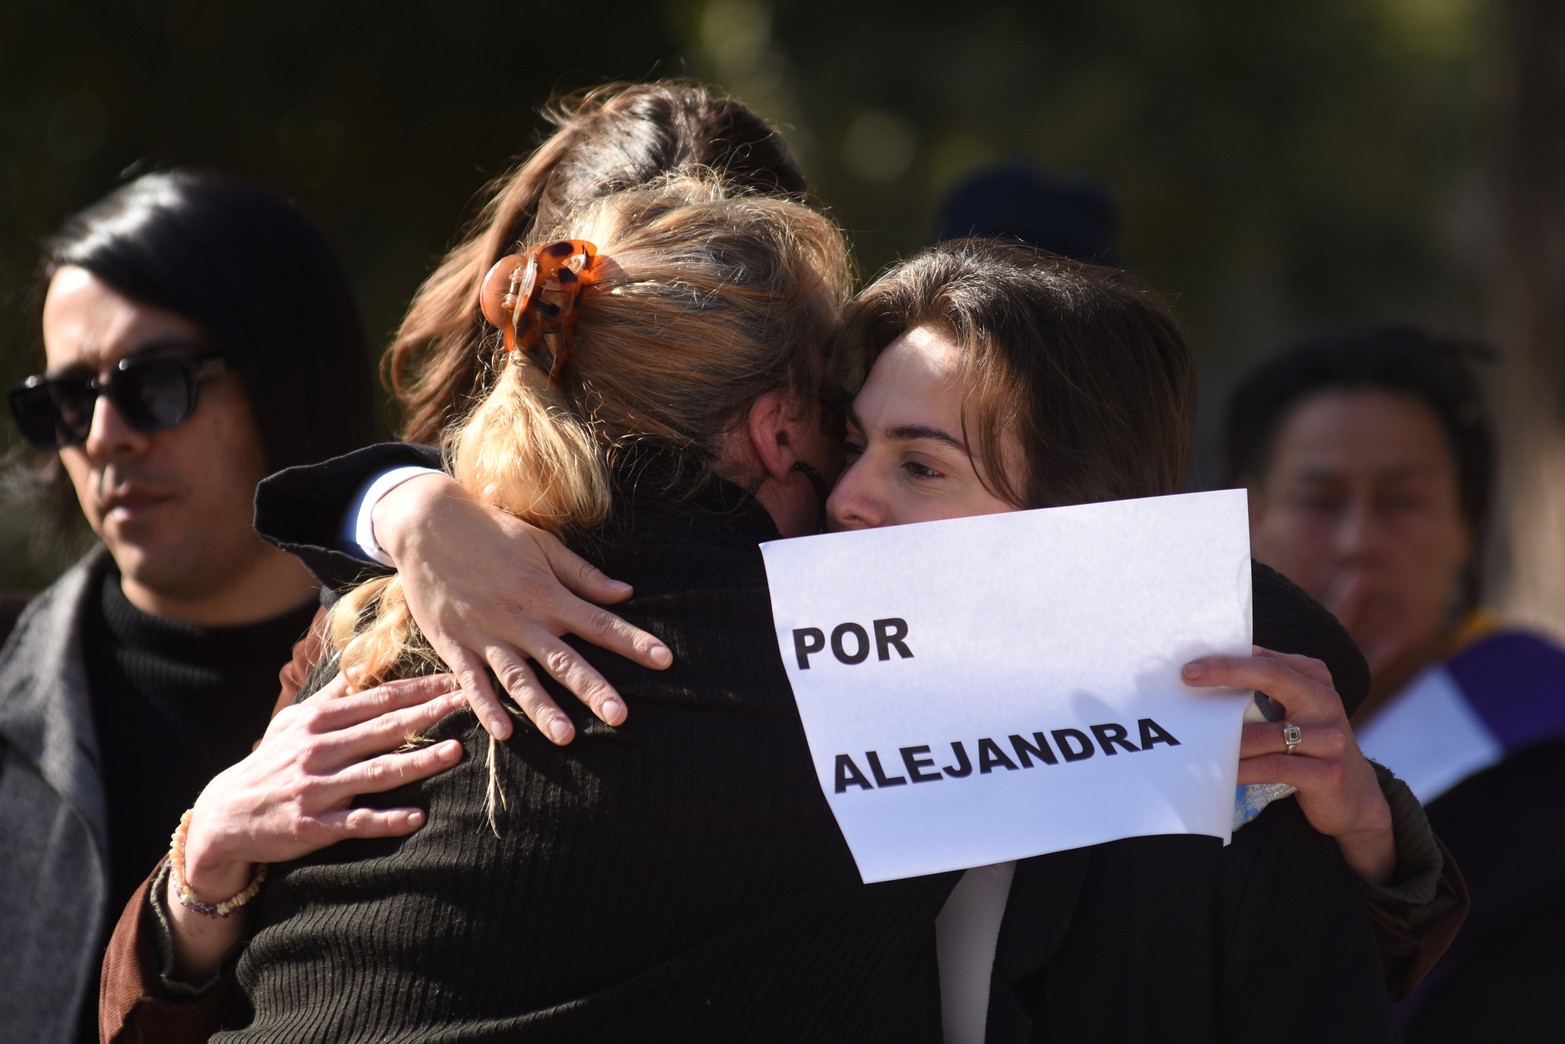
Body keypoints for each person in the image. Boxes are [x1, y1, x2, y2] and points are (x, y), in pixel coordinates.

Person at [136, 174, 961, 1041]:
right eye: (842, 422)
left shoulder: (377, 626)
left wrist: (399, 503)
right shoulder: (867, 687)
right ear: (778, 430)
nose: (853, 482)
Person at [0, 170, 468, 1044]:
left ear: (283, 373)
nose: (105, 436)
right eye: (66, 401)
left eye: (156, 382)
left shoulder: (440, 671)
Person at [1226, 325, 1565, 1040]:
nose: (1358, 542)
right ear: (1248, 520)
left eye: (1399, 502)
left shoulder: (1541, 747)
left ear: (1466, 526)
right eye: (1320, 501)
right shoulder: (1173, 736)